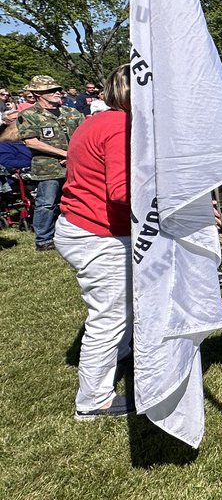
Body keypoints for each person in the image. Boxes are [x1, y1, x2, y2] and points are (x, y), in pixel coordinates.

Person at [54, 65, 135, 421]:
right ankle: (93, 400)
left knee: (125, 304)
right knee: (110, 316)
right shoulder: (120, 126)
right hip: (97, 235)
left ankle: (120, 352)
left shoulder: (97, 120)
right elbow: (121, 191)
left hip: (87, 227)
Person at [18, 75, 85, 250]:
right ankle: (44, 240)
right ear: (39, 94)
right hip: (47, 167)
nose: (58, 92)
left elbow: (85, 135)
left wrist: (74, 155)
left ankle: (75, 234)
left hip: (75, 166)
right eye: (52, 90)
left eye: (58, 89)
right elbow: (31, 141)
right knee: (47, 203)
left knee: (76, 200)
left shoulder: (71, 112)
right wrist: (65, 153)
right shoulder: (29, 115)